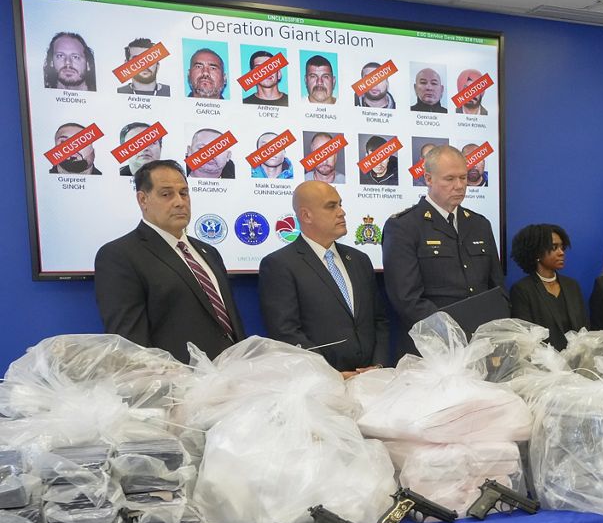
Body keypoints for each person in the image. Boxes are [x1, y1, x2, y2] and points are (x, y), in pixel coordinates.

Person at [94, 159, 245, 363]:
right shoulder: (119, 255)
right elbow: (130, 342)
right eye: (166, 194)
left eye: (184, 193)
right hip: (180, 386)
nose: (179, 202)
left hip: (234, 376)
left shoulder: (208, 251)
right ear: (143, 200)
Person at [382, 145, 504, 355]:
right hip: (432, 347)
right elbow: (407, 299)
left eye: (463, 178)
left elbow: (496, 288)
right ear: (428, 179)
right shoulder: (404, 226)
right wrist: (455, 332)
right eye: (450, 179)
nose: (459, 186)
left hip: (481, 344)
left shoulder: (479, 224)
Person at [258, 181, 388, 375]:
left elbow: (379, 320)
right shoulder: (280, 264)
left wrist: (378, 366)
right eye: (331, 206)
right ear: (306, 215)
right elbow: (286, 333)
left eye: (340, 204)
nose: (341, 212)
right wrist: (329, 375)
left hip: (371, 380)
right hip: (319, 386)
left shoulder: (359, 260)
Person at [509, 223, 588, 351]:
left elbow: (585, 329)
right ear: (537, 253)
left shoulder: (572, 286)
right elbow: (525, 338)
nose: (561, 253)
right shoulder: (522, 290)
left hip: (577, 364)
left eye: (562, 247)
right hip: (542, 365)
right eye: (554, 247)